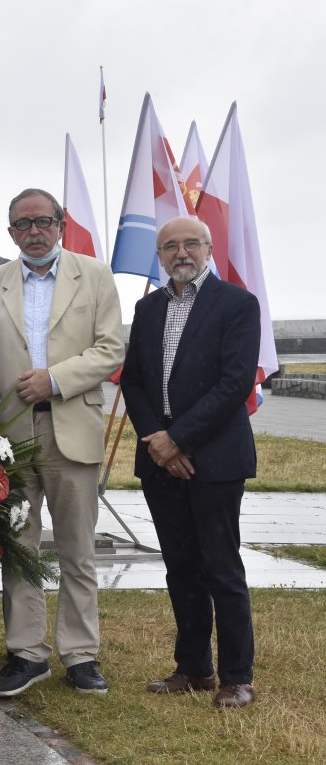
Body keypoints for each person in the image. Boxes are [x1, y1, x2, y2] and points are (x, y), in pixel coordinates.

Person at [0, 188, 123, 697]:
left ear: (61, 224)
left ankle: (81, 654)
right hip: (9, 435)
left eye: (43, 221)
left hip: (71, 427)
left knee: (78, 550)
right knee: (18, 548)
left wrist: (54, 379)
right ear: (8, 232)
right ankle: (27, 652)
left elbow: (110, 349)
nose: (33, 231)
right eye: (22, 224)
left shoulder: (95, 275)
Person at [121, 217, 260, 709]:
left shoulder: (238, 304)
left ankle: (236, 677)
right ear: (159, 256)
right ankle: (194, 668)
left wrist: (177, 440)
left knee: (221, 567)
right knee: (180, 567)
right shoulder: (147, 307)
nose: (181, 252)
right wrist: (158, 442)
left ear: (208, 248)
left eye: (190, 243)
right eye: (169, 246)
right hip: (160, 460)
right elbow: (133, 381)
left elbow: (235, 382)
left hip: (216, 459)